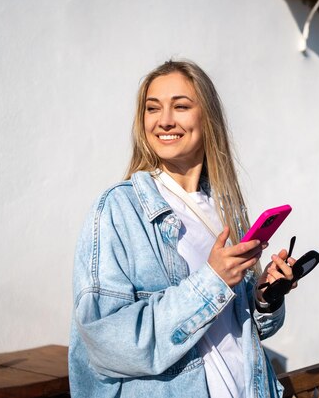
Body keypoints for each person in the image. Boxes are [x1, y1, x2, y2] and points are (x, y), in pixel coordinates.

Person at [69, 59, 296, 398]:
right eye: (152, 108)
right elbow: (106, 344)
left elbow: (239, 331)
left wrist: (264, 299)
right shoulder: (119, 209)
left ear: (208, 117)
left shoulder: (224, 208)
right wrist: (211, 281)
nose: (164, 121)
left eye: (181, 106)